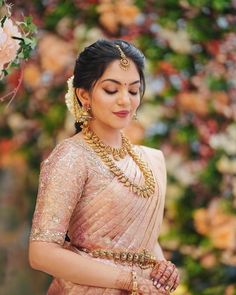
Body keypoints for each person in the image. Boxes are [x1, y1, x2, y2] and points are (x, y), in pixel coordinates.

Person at [29, 39, 180, 295]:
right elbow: (41, 253)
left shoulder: (150, 160)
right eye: (111, 90)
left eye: (133, 91)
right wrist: (127, 280)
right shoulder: (72, 157)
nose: (125, 101)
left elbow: (142, 242)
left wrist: (160, 265)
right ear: (84, 95)